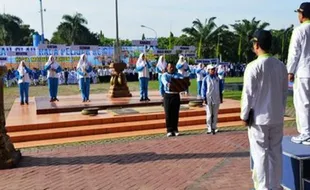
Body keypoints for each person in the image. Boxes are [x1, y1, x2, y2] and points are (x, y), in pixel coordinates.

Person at [241, 30, 288, 190]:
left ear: (257, 45)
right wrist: (280, 111)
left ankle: (263, 187)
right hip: (276, 116)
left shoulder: (253, 67)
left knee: (260, 154)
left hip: (259, 118)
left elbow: (248, 94)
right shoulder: (281, 66)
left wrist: (244, 114)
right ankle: (275, 186)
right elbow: (283, 93)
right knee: (276, 153)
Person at [287, 2, 310, 145]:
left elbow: (294, 53)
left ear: (302, 14)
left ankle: (306, 133)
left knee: (303, 104)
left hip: (303, 71)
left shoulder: (300, 30)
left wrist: (290, 70)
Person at [161, 63, 184, 137]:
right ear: (167, 68)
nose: (171, 68)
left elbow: (182, 82)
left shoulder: (178, 75)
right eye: (170, 67)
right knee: (168, 113)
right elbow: (166, 84)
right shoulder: (164, 75)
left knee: (175, 113)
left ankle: (175, 129)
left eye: (173, 67)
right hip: (168, 95)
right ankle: (169, 130)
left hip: (176, 95)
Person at [201, 65, 223, 134]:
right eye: (211, 69)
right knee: (209, 113)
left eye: (213, 69)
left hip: (216, 97)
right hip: (208, 98)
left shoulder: (218, 79)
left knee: (215, 113)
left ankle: (214, 127)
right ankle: (209, 128)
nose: (212, 71)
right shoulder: (205, 79)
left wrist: (221, 97)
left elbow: (221, 89)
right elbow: (203, 89)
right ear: (208, 70)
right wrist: (204, 98)